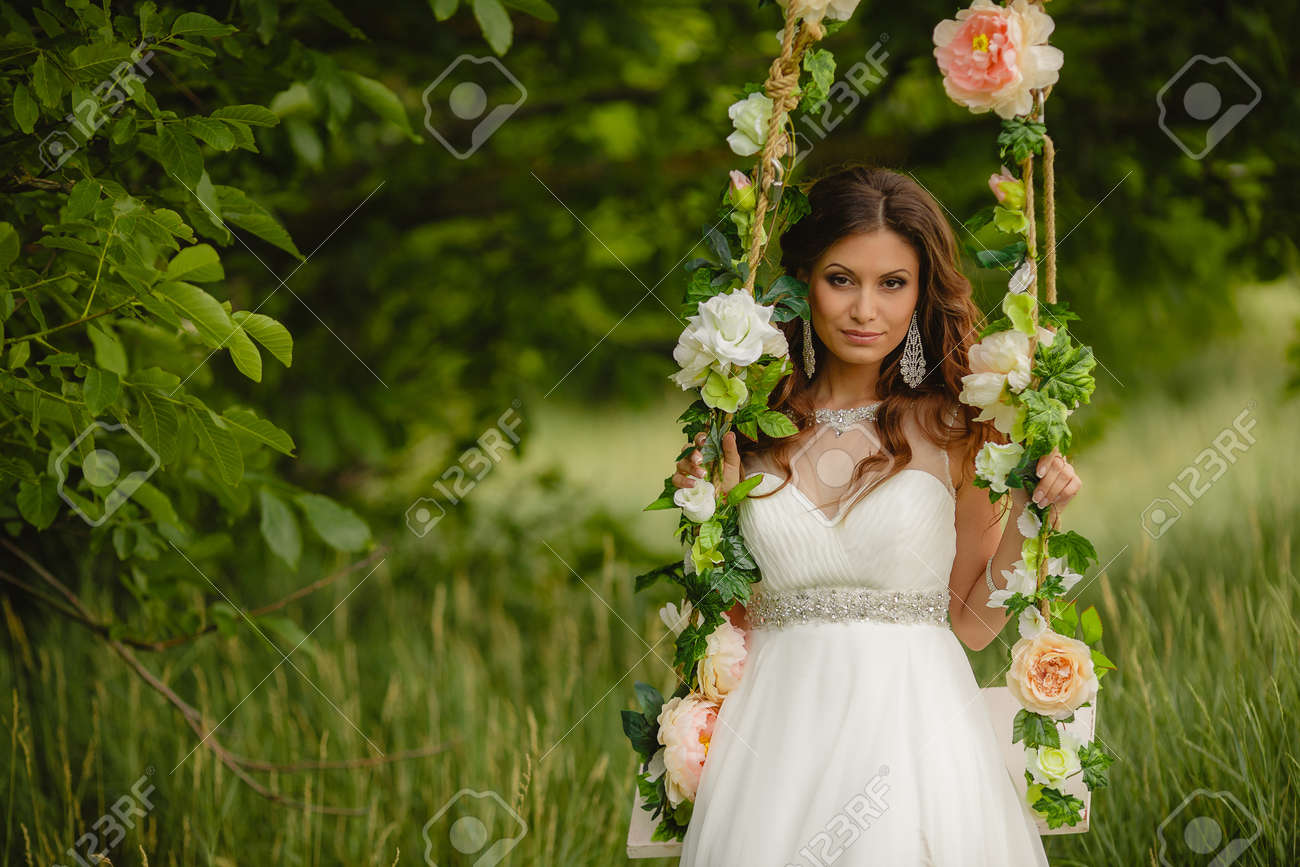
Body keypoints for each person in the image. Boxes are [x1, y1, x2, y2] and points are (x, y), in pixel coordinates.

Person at [668, 164, 1080, 866]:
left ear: (921, 293)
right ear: (803, 282)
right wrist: (709, 513)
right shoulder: (745, 427)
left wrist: (1038, 515)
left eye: (893, 283)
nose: (866, 310)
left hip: (914, 736)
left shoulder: (961, 427)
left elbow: (973, 622)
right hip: (775, 744)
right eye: (842, 279)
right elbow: (723, 621)